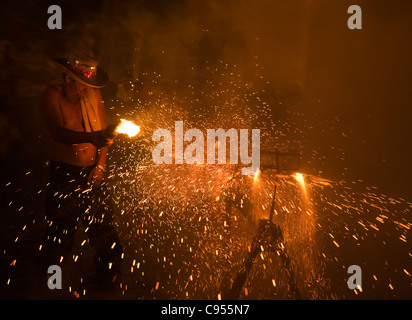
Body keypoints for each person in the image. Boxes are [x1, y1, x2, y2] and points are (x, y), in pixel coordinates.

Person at [40, 53, 123, 290]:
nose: (87, 91)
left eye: (91, 87)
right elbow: (58, 133)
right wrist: (91, 137)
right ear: (68, 79)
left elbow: (105, 134)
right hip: (64, 175)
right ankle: (48, 287)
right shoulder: (52, 95)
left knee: (106, 233)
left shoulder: (93, 95)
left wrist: (100, 166)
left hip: (92, 174)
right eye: (83, 86)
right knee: (59, 238)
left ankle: (105, 286)